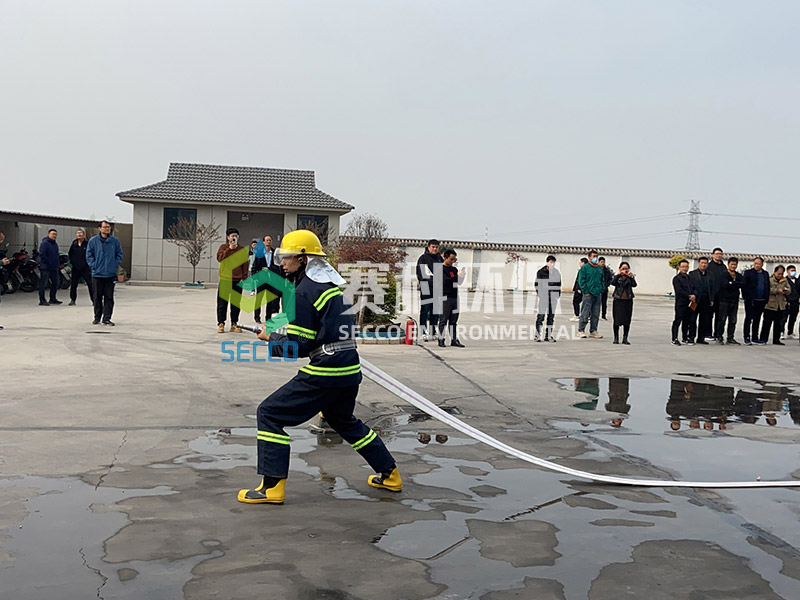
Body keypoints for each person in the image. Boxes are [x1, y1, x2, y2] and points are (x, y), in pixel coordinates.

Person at [238, 230, 401, 504]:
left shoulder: (304, 291)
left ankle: (272, 487)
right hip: (349, 370)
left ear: (303, 259)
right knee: (343, 420)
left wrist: (272, 338)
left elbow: (300, 346)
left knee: (269, 413)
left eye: (287, 257)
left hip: (326, 371)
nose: (282, 262)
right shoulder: (331, 287)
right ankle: (390, 474)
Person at [86, 221, 123, 326]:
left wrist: (114, 265)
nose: (107, 229)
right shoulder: (93, 241)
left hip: (110, 274)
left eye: (108, 227)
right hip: (97, 274)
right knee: (97, 297)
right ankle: (97, 317)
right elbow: (89, 255)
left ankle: (107, 318)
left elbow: (119, 254)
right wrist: (94, 265)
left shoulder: (114, 241)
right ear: (100, 228)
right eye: (105, 227)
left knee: (109, 297)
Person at [216, 227, 247, 333]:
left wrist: (244, 277)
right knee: (222, 303)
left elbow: (245, 264)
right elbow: (220, 258)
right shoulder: (223, 247)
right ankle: (221, 323)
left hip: (237, 280)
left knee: (236, 304)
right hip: (225, 279)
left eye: (236, 236)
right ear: (227, 237)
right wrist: (230, 248)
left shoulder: (242, 249)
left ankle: (234, 324)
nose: (234, 238)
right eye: (232, 236)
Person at [416, 239, 443, 341]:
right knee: (425, 309)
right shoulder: (423, 258)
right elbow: (421, 274)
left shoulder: (440, 259)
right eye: (433, 247)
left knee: (434, 311)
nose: (435, 249)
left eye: (436, 247)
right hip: (426, 287)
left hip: (437, 289)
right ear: (428, 247)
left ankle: (432, 332)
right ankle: (423, 332)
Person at [437, 249, 465, 347]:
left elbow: (458, 282)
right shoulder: (440, 269)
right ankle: (441, 339)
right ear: (445, 257)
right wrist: (456, 277)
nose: (452, 261)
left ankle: (454, 339)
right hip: (445, 297)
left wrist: (461, 276)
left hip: (454, 296)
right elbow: (446, 281)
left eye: (454, 259)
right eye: (451, 259)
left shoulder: (454, 270)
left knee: (453, 320)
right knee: (443, 320)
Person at [253, 235, 283, 324]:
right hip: (261, 280)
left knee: (270, 300)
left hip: (271, 280)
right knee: (259, 300)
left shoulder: (274, 253)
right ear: (263, 242)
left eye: (270, 240)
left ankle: (268, 317)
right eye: (267, 240)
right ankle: (257, 317)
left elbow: (277, 267)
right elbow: (254, 267)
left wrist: (268, 269)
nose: (268, 242)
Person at [714, 257, 743, 345]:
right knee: (722, 320)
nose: (733, 266)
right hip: (724, 300)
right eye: (732, 264)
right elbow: (724, 285)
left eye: (735, 264)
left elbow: (743, 284)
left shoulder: (738, 275)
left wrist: (732, 283)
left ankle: (730, 337)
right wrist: (734, 284)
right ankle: (719, 336)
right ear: (728, 264)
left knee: (733, 320)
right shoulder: (723, 275)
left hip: (734, 300)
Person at [742, 257, 770, 346]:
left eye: (758, 264)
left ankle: (755, 337)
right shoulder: (748, 273)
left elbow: (767, 286)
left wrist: (766, 298)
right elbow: (744, 286)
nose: (756, 265)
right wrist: (746, 297)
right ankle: (746, 337)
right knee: (748, 318)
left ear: (762, 264)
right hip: (751, 300)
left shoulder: (765, 274)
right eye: (755, 263)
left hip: (761, 300)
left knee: (757, 320)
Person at [760, 265, 790, 345]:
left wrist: (786, 291)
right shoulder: (770, 280)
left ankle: (776, 339)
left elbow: (789, 289)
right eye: (778, 273)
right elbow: (767, 289)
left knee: (778, 324)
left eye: (781, 274)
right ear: (775, 272)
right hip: (770, 304)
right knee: (767, 323)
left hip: (780, 305)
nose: (780, 275)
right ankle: (763, 339)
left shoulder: (784, 280)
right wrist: (777, 290)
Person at [577, 250, 604, 339]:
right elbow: (581, 280)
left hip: (597, 293)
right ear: (589, 257)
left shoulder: (599, 268)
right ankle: (581, 330)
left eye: (596, 256)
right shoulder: (585, 268)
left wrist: (601, 289)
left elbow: (602, 280)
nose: (595, 258)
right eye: (594, 256)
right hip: (588, 294)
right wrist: (585, 291)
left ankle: (593, 330)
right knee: (585, 313)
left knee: (596, 313)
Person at [688, 257, 716, 344]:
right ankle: (691, 337)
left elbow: (712, 288)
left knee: (704, 320)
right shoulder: (692, 274)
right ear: (699, 263)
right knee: (692, 319)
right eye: (702, 263)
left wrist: (712, 299)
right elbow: (690, 286)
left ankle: (701, 338)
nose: (703, 265)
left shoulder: (710, 274)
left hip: (706, 299)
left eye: (705, 263)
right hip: (696, 300)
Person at [535, 255, 561, 342]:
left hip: (553, 298)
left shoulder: (556, 272)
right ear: (547, 262)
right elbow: (537, 284)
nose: (552, 264)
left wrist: (557, 295)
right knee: (541, 316)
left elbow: (559, 284)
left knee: (551, 317)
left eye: (553, 263)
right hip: (544, 297)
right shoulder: (541, 272)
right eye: (550, 262)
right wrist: (541, 294)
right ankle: (538, 335)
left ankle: (548, 335)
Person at [671, 259, 697, 346]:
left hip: (690, 303)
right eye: (683, 267)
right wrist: (689, 296)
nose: (685, 268)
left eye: (686, 267)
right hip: (681, 303)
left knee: (687, 321)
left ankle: (685, 338)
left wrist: (694, 295)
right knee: (678, 320)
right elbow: (679, 291)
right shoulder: (676, 279)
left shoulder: (690, 278)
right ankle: (674, 338)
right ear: (679, 267)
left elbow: (695, 288)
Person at [610, 261, 637, 344]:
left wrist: (631, 277)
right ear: (620, 269)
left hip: (628, 300)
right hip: (618, 300)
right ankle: (616, 338)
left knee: (627, 320)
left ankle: (625, 338)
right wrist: (618, 275)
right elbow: (612, 283)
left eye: (627, 268)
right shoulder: (617, 277)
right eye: (623, 268)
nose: (625, 270)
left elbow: (634, 285)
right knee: (616, 320)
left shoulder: (629, 277)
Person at [68, 228, 93, 306]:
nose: (79, 234)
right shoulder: (74, 244)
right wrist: (73, 262)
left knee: (90, 284)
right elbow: (70, 254)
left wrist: (88, 263)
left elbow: (91, 254)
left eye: (80, 233)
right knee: (73, 284)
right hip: (76, 268)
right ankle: (72, 299)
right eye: (77, 233)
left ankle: (94, 300)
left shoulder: (87, 244)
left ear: (84, 235)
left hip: (85, 268)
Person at [38, 229, 62, 306]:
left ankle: (52, 298)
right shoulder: (44, 243)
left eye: (55, 234)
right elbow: (42, 254)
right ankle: (42, 300)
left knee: (56, 283)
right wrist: (48, 262)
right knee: (43, 284)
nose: (54, 236)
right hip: (46, 267)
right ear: (48, 234)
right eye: (53, 234)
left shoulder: (55, 244)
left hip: (54, 267)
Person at [707, 248, 727, 341]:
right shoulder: (709, 266)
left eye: (720, 254)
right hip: (711, 295)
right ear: (713, 255)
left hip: (721, 296)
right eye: (717, 254)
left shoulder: (724, 267)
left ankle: (717, 334)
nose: (719, 255)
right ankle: (708, 333)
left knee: (719, 316)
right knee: (709, 315)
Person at [781, 265, 799, 340]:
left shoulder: (797, 280)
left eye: (794, 271)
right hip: (787, 302)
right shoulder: (784, 280)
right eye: (792, 271)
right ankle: (781, 332)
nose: (793, 272)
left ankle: (790, 332)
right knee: (783, 318)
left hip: (796, 302)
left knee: (793, 318)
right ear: (788, 272)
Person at [570, 257, 588, 322]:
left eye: (581, 262)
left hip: (580, 289)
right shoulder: (583, 270)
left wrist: (579, 288)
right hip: (578, 288)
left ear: (584, 263)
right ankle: (583, 315)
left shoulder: (583, 270)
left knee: (576, 301)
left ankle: (577, 315)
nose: (580, 263)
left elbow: (581, 280)